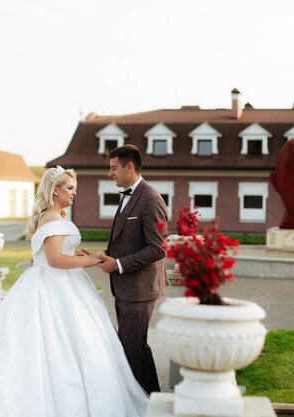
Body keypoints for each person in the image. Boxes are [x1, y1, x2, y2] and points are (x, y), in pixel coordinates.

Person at [0, 166, 148, 417]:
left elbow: (40, 259)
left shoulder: (53, 216)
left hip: (57, 283)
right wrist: (92, 261)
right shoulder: (52, 218)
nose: (74, 193)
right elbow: (54, 260)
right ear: (55, 190)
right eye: (70, 188)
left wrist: (74, 256)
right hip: (54, 285)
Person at [97, 144, 169, 395]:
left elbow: (158, 248)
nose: (110, 174)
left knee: (131, 347)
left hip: (140, 288)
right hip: (126, 287)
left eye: (113, 168)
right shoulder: (128, 195)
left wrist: (117, 264)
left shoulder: (150, 198)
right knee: (136, 346)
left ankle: (139, 404)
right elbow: (127, 241)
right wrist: (106, 257)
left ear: (129, 167)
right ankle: (152, 401)